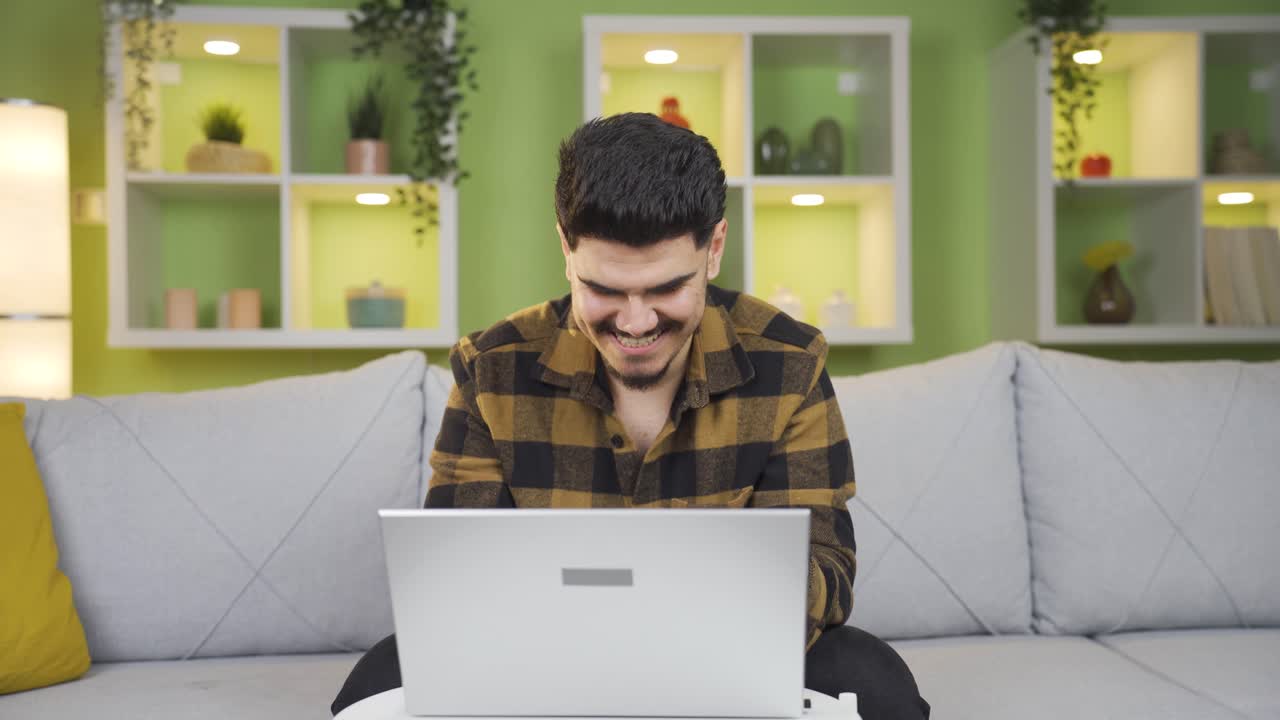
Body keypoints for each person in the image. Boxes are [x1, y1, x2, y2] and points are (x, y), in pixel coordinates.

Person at [332, 112, 930, 720]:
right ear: (566, 248)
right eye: (607, 290)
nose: (636, 323)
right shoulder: (491, 369)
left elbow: (829, 574)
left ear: (714, 249)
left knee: (874, 679)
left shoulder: (790, 363)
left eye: (666, 288)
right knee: (377, 681)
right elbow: (452, 585)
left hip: (731, 656)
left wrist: (695, 610)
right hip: (538, 662)